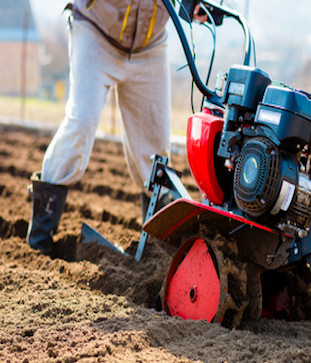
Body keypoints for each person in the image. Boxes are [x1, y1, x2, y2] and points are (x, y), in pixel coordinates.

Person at [27, 0, 207, 255]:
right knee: (81, 122)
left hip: (150, 46)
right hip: (95, 33)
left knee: (155, 146)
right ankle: (40, 240)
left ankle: (157, 250)